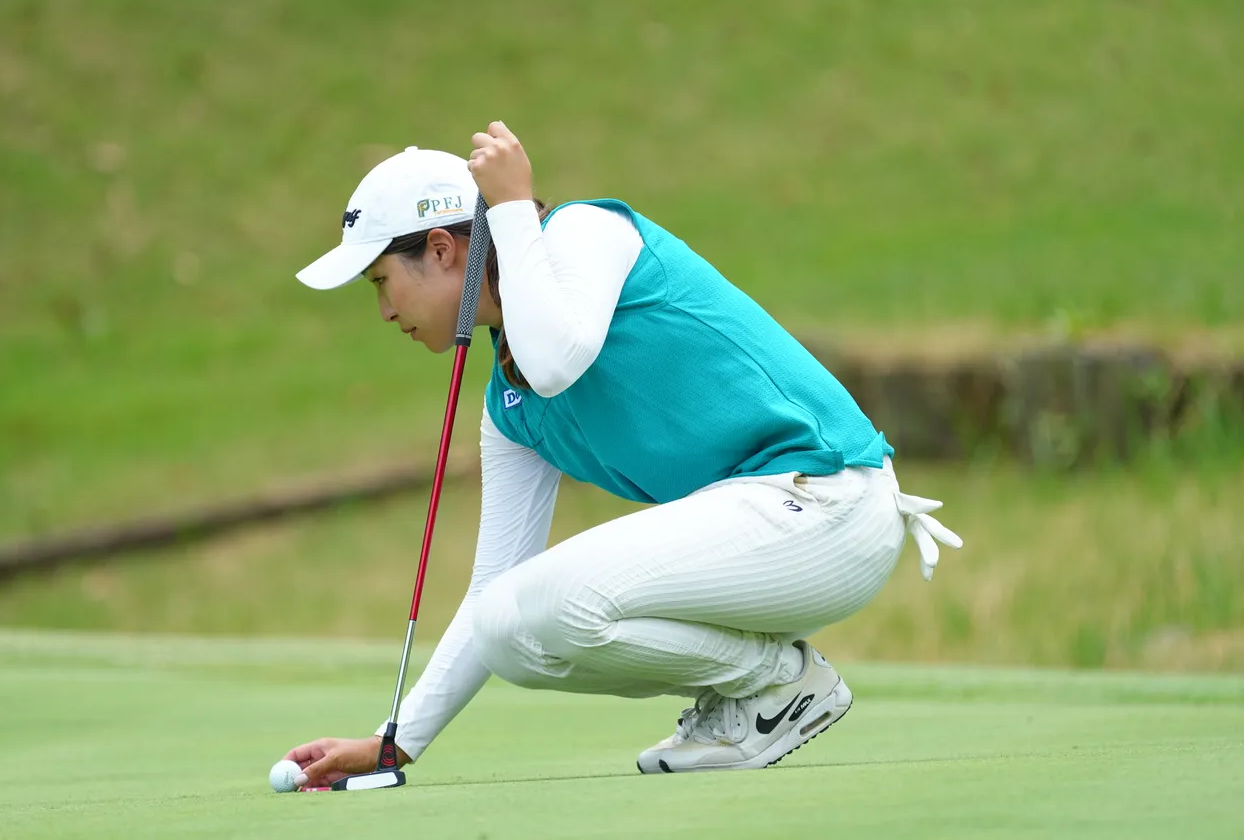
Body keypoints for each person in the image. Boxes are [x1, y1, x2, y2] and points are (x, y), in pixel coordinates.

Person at [282, 122, 962, 785]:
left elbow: (556, 360)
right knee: (504, 628)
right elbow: (493, 587)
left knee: (551, 601)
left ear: (440, 249)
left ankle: (778, 683)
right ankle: (764, 690)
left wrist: (511, 209)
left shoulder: (582, 233)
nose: (383, 310)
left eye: (379, 280)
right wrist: (396, 741)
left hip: (831, 501)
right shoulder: (510, 405)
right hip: (769, 538)